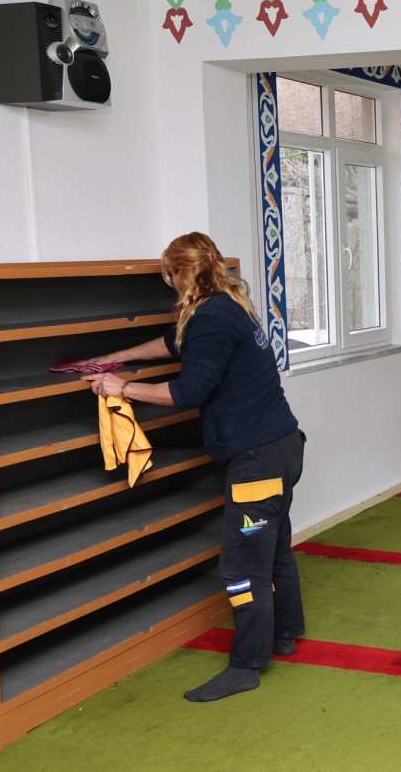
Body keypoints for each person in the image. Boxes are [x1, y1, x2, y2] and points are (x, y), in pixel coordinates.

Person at [80, 232, 306, 702]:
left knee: (242, 567)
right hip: (281, 446)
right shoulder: (226, 303)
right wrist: (120, 357)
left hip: (257, 459)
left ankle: (246, 665)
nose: (169, 284)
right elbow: (174, 342)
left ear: (181, 272)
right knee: (274, 551)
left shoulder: (212, 316)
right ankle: (285, 634)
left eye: (169, 276)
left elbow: (187, 392)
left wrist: (121, 387)